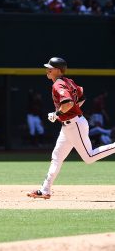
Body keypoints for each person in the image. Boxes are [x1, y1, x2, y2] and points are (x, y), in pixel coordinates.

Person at [27, 57, 115, 199]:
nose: (47, 69)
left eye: (50, 67)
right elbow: (82, 97)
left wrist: (57, 114)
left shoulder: (58, 84)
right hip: (69, 126)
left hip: (74, 125)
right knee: (56, 157)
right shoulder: (69, 81)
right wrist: (67, 112)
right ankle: (45, 190)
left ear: (58, 70)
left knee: (89, 157)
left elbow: (67, 103)